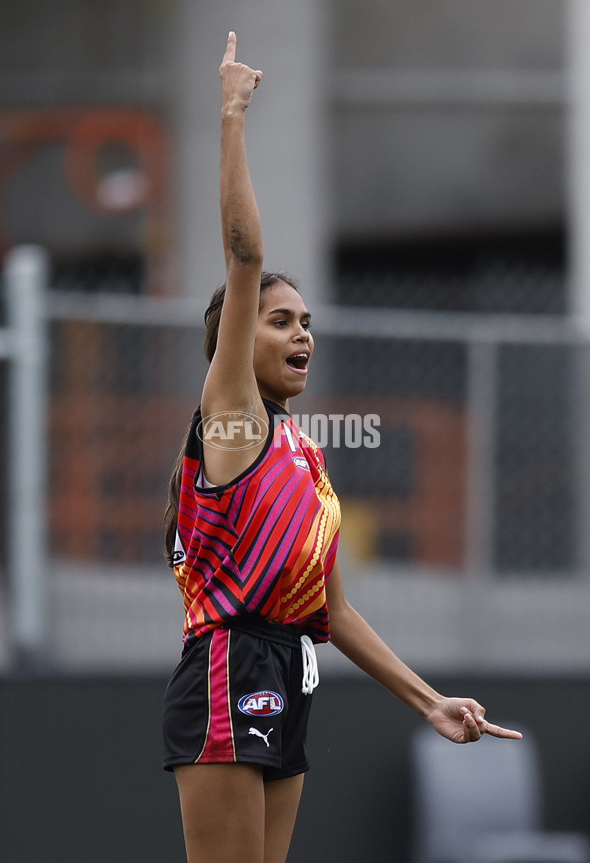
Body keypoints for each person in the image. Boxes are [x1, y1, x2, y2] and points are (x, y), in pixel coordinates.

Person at [162, 31, 522, 863]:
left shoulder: (305, 451)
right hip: (229, 662)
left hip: (289, 667)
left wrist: (428, 701)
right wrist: (231, 115)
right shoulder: (231, 418)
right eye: (281, 319)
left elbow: (331, 609)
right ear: (234, 341)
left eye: (308, 322)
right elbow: (245, 252)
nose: (303, 334)